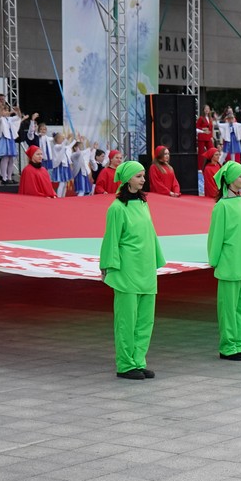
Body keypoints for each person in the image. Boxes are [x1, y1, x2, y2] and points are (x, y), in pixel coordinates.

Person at [101, 161, 165, 379]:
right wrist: (108, 266)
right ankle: (126, 364)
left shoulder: (144, 203)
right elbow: (111, 240)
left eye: (143, 176)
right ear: (128, 179)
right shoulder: (117, 208)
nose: (143, 179)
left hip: (145, 270)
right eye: (139, 176)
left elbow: (151, 234)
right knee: (126, 321)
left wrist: (156, 260)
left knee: (145, 320)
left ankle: (138, 360)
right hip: (127, 270)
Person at [208, 161, 241, 361]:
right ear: (230, 180)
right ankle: (228, 347)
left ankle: (239, 344)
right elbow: (216, 236)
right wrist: (214, 260)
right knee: (228, 309)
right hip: (229, 263)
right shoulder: (221, 206)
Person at [0, 102, 24, 184]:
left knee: (11, 159)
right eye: (4, 110)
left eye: (7, 110)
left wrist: (18, 111)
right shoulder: (0, 119)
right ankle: (4, 177)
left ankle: (9, 177)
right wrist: (1, 108)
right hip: (4, 139)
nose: (6, 112)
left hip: (10, 139)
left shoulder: (9, 119)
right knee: (5, 158)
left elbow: (18, 118)